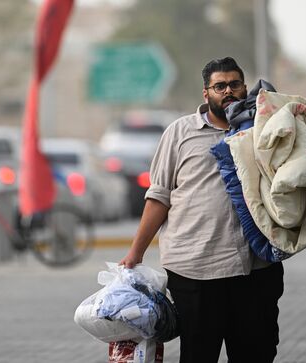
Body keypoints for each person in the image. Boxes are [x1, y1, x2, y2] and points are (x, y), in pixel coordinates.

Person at [119, 57, 284, 363]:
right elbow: (159, 197)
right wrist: (135, 252)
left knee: (257, 354)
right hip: (195, 273)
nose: (228, 91)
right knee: (198, 355)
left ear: (245, 88)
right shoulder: (180, 133)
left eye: (235, 84)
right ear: (206, 93)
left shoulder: (264, 128)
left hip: (256, 270)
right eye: (219, 86)